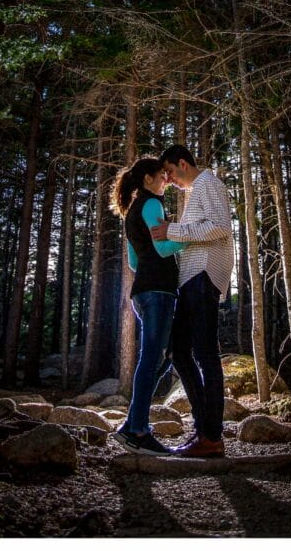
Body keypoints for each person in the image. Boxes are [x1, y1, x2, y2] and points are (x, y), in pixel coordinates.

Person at [150, 144, 234, 458]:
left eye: (170, 172)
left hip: (203, 277)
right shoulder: (196, 190)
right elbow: (198, 231)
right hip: (191, 280)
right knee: (179, 352)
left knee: (204, 354)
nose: (168, 179)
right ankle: (206, 431)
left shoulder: (207, 183)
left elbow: (220, 227)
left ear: (183, 164)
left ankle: (211, 436)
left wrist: (171, 229)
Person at [111, 156, 186, 456]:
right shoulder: (153, 204)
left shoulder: (131, 211)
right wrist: (190, 237)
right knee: (152, 358)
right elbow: (163, 246)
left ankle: (132, 424)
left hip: (142, 293)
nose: (167, 179)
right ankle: (138, 430)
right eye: (162, 175)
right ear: (147, 179)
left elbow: (133, 261)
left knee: (161, 359)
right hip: (157, 292)